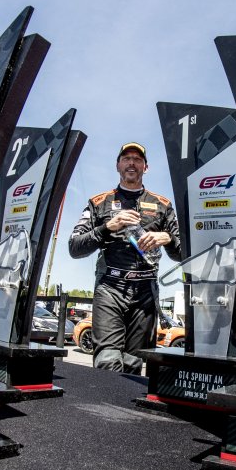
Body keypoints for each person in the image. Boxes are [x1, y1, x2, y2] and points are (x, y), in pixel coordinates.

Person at [69, 142, 181, 373]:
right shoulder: (99, 202)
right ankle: (102, 408)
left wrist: (166, 237)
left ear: (145, 167)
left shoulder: (163, 205)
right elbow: (75, 247)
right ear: (118, 165)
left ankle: (125, 410)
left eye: (137, 159)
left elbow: (182, 254)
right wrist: (107, 227)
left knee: (133, 362)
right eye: (126, 158)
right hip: (110, 287)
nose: (132, 163)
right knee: (108, 361)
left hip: (145, 291)